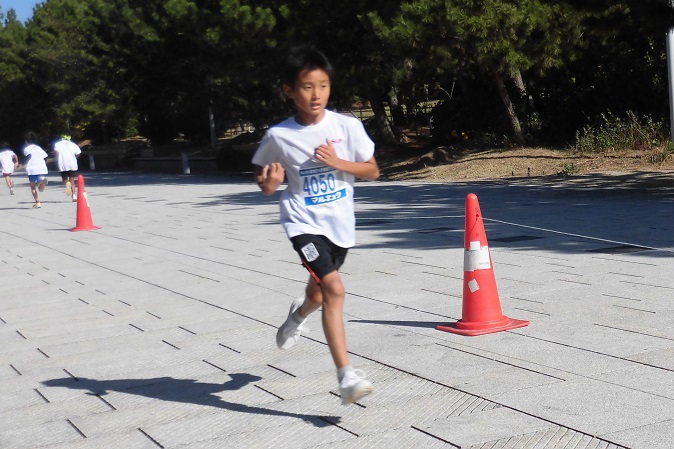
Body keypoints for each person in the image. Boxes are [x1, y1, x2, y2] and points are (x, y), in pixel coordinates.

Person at [252, 46, 380, 405]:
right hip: (302, 222)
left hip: (339, 225)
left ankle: (297, 316)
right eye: (307, 87)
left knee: (319, 294)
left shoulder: (347, 126)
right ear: (289, 90)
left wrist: (340, 161)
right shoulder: (280, 135)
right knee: (335, 290)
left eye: (323, 86)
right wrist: (270, 183)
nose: (316, 94)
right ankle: (347, 378)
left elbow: (372, 170)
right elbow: (263, 182)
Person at [23, 131, 49, 208]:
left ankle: (37, 202)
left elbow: (28, 157)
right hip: (42, 168)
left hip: (32, 169)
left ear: (26, 141)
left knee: (33, 187)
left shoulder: (26, 149)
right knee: (41, 188)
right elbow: (46, 157)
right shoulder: (39, 148)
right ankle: (42, 182)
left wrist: (24, 165)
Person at [53, 133, 82, 202]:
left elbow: (56, 152)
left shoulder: (57, 144)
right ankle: (74, 196)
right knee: (72, 180)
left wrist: (57, 158)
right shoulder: (73, 144)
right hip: (72, 164)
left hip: (62, 163)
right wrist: (74, 157)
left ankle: (67, 183)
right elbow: (78, 153)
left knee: (65, 179)